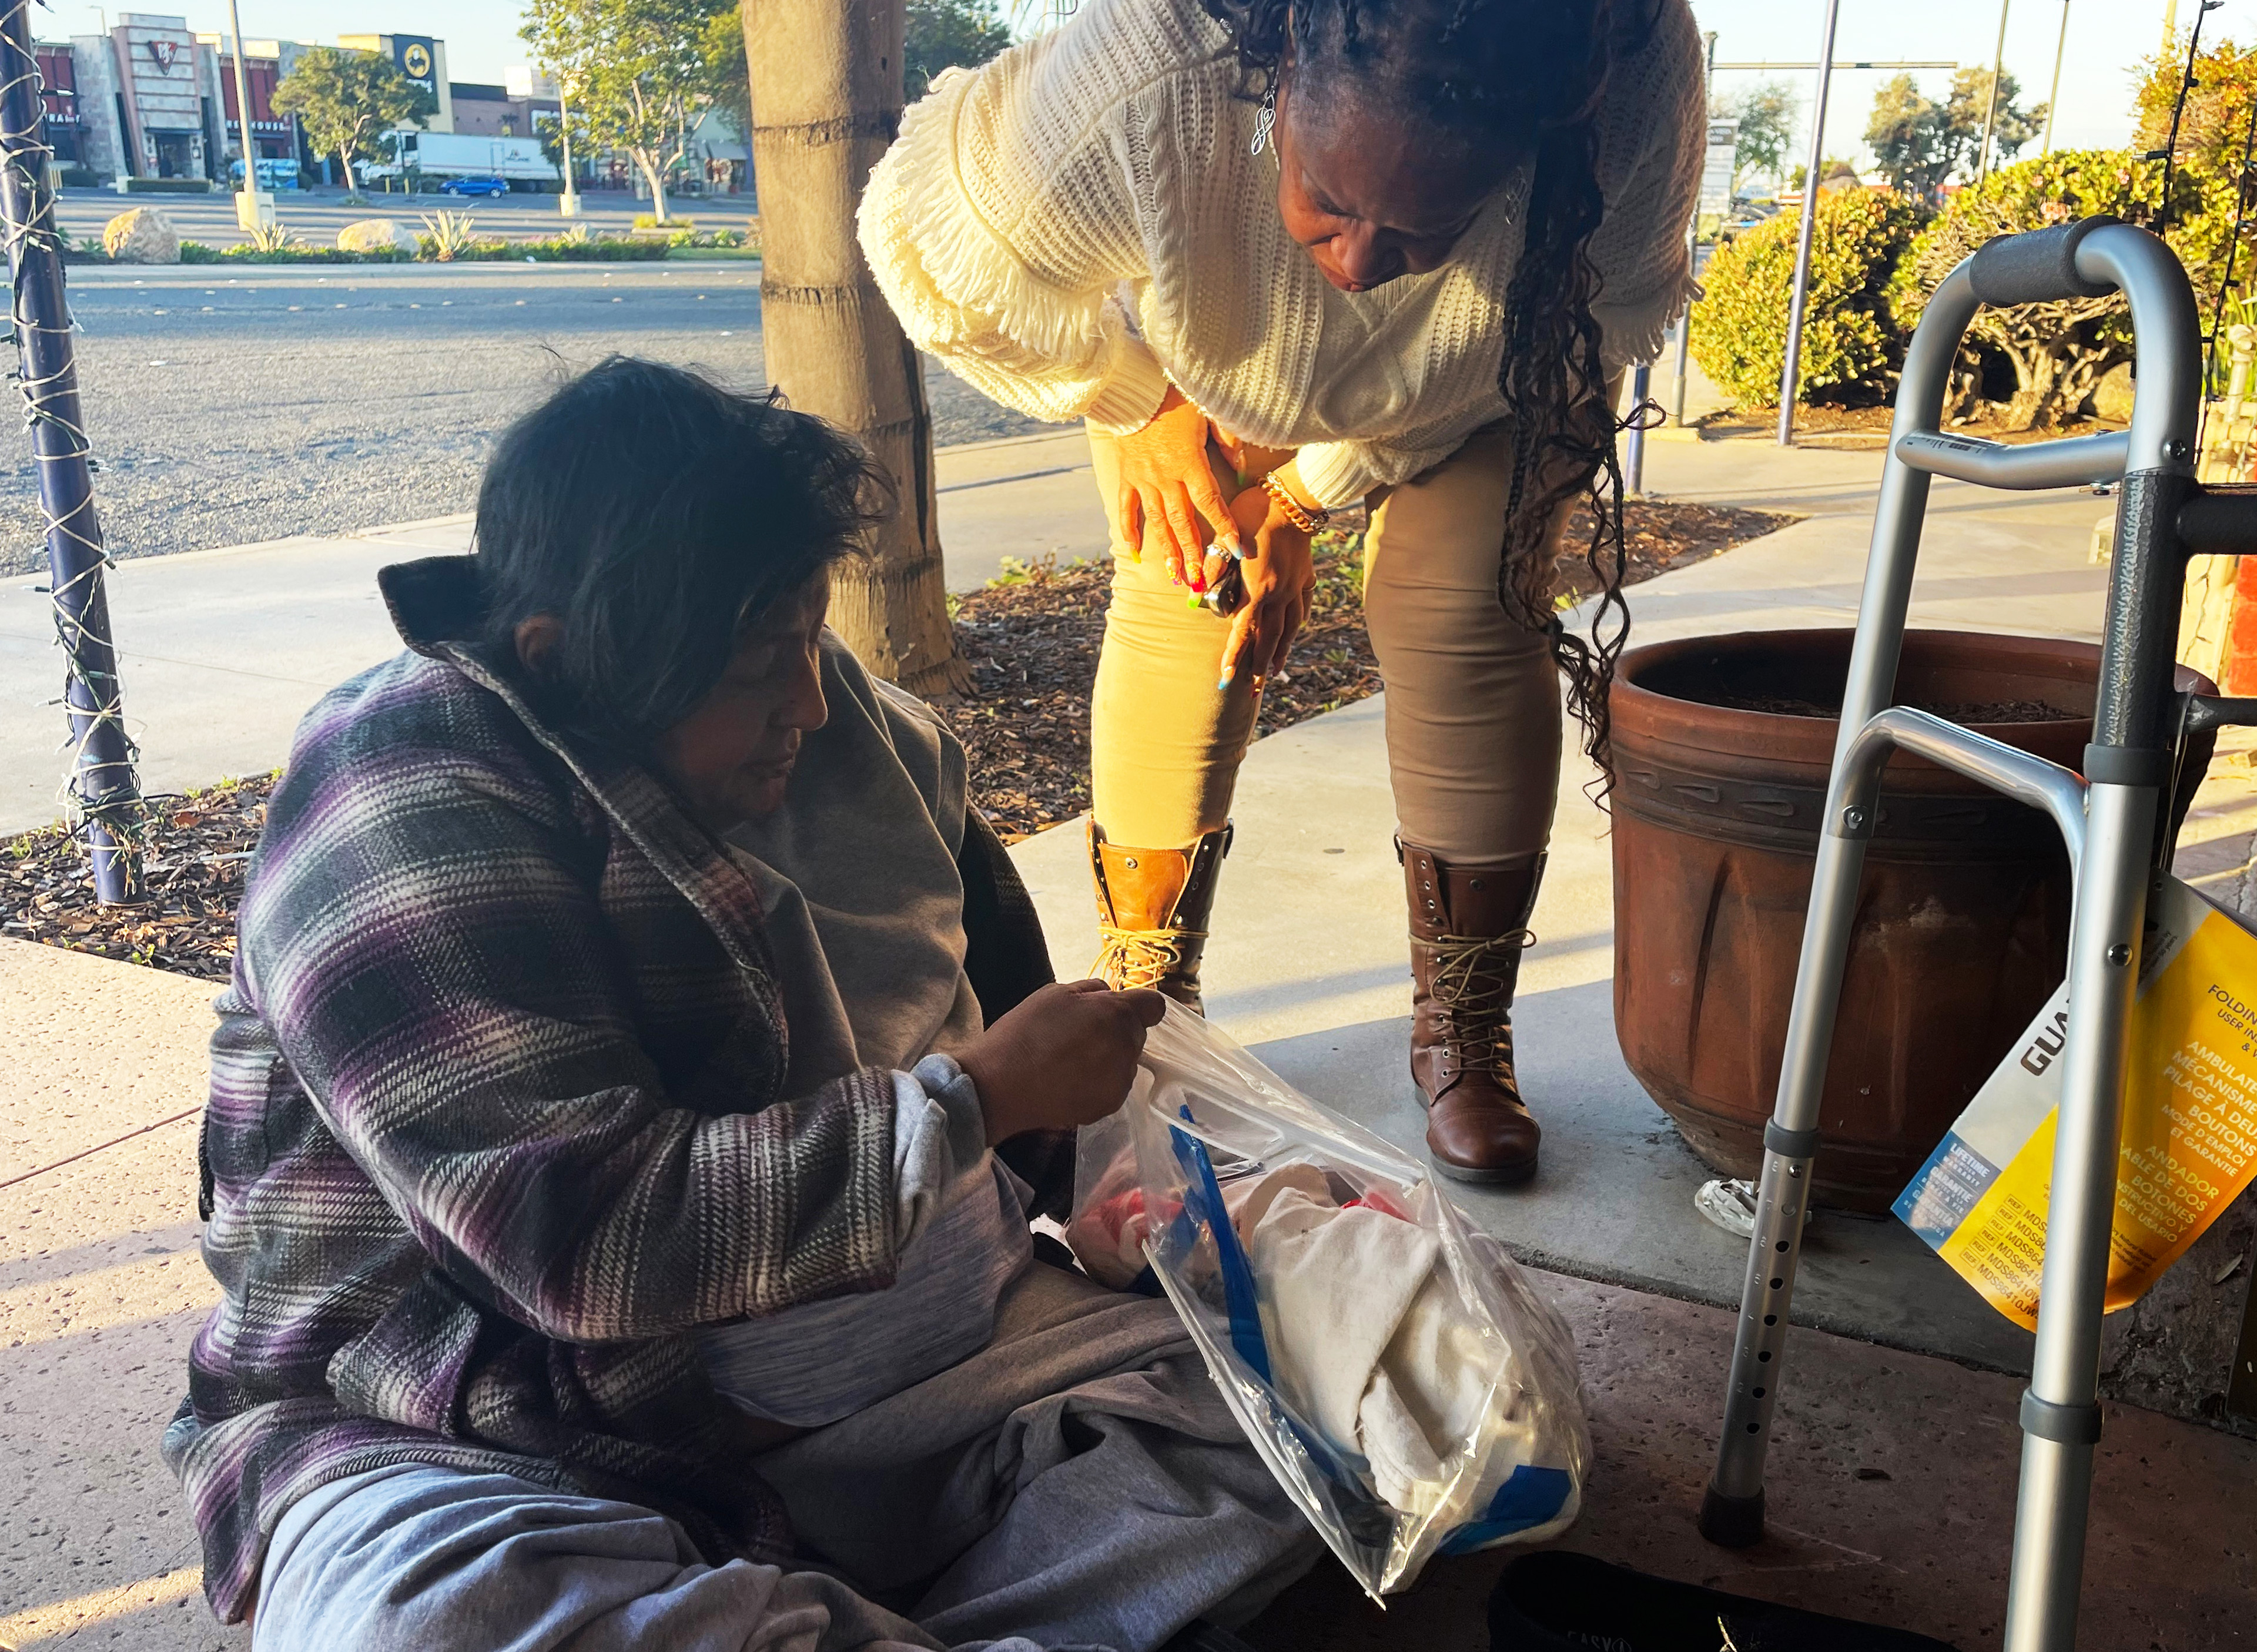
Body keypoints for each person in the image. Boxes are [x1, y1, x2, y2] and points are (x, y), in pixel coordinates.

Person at [165, 358, 1318, 1651]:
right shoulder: (398, 809)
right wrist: (980, 1100)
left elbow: (993, 990)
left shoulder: (853, 731)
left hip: (923, 1394)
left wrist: (1099, 1201)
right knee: (430, 1626)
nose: (813, 705)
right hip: (485, 1442)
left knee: (1323, 1419)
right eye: (767, 666)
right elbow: (579, 1233)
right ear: (565, 664)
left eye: (808, 638)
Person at [860, 0, 1703, 1184]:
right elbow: (935, 255)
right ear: (1284, 73)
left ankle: (1461, 1031)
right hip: (1210, 342)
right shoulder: (1150, 71)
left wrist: (1307, 496)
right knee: (1190, 574)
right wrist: (1136, 404)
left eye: (1421, 228)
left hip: (1496, 373)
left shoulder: (1621, 80)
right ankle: (1148, 1006)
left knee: (1461, 608)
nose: (1362, 265)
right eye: (1336, 202)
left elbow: (1584, 324)